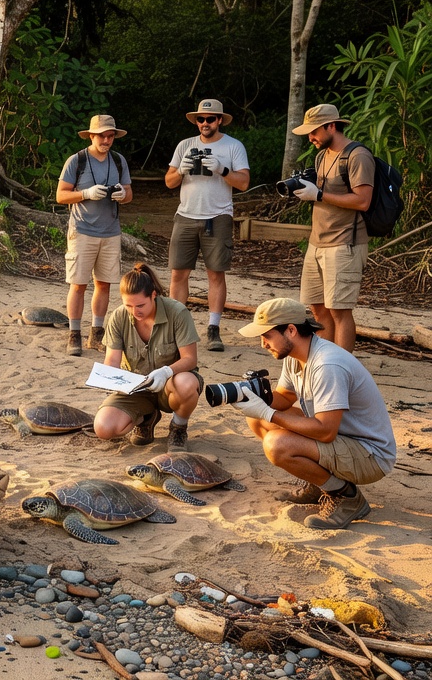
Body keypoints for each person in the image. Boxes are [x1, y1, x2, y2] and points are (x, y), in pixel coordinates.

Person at [232, 298, 396, 529]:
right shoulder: (296, 355)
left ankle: (345, 496)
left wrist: (268, 413)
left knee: (277, 444)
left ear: (291, 330)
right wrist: (252, 394)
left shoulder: (327, 365)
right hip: (344, 439)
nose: (263, 344)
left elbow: (326, 432)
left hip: (370, 455)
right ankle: (319, 482)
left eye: (267, 336)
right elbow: (285, 398)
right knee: (256, 419)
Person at [164, 99, 251, 352]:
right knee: (178, 273)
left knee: (216, 273)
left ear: (219, 120)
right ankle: (176, 326)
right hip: (186, 215)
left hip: (218, 216)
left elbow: (243, 183)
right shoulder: (185, 145)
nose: (205, 123)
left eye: (210, 119)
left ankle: (213, 328)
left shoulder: (233, 146)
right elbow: (169, 182)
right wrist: (181, 170)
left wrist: (222, 170)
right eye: (200, 119)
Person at [290, 104, 373, 352]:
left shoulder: (357, 156)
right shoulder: (321, 155)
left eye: (314, 131)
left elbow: (363, 201)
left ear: (331, 126)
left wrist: (319, 195)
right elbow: (321, 195)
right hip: (317, 243)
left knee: (340, 310)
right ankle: (325, 362)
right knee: (317, 306)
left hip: (345, 243)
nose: (310, 138)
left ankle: (342, 367)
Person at [95, 263, 202, 451]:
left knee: (186, 382)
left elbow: (190, 359)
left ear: (154, 295)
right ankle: (146, 417)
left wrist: (166, 371)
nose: (135, 312)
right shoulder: (119, 317)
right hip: (135, 389)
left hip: (170, 385)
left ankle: (178, 427)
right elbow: (112, 360)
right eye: (128, 305)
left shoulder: (177, 312)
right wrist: (107, 378)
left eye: (140, 305)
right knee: (103, 428)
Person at [57, 114, 133, 356]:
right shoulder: (76, 161)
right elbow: (61, 196)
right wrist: (86, 194)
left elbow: (130, 192)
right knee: (78, 284)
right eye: (102, 135)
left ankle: (96, 333)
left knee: (104, 284)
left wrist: (122, 194)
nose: (107, 140)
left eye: (111, 136)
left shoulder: (118, 161)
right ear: (91, 136)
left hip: (110, 231)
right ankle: (74, 334)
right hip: (82, 230)